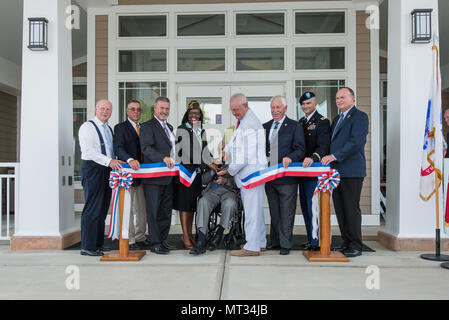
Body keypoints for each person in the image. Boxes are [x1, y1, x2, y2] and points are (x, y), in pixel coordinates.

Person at [218, 93, 268, 257]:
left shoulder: (250, 124)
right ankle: (260, 242)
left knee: (252, 212)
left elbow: (246, 155)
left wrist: (229, 170)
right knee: (256, 210)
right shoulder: (244, 121)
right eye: (232, 110)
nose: (234, 113)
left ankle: (251, 247)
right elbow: (236, 145)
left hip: (250, 175)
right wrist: (225, 151)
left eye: (236, 110)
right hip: (250, 174)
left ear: (245, 106)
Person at [321, 87, 369, 258]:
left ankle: (356, 244)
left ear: (352, 99)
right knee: (340, 209)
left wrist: (333, 156)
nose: (339, 100)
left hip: (352, 171)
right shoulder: (336, 119)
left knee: (351, 208)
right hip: (336, 173)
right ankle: (346, 242)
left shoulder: (359, 117)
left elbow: (356, 142)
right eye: (337, 98)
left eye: (342, 97)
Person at [78, 99, 122, 256]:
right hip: (93, 169)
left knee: (103, 207)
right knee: (92, 207)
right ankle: (87, 246)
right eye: (102, 108)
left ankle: (98, 244)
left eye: (108, 109)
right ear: (96, 109)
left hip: (107, 170)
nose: (105, 112)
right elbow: (88, 151)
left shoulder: (108, 129)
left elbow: (110, 150)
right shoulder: (87, 127)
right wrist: (109, 161)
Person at [263, 95, 305, 255]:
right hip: (269, 177)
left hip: (287, 178)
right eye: (273, 108)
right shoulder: (265, 126)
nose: (275, 111)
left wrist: (291, 157)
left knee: (287, 211)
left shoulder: (294, 126)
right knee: (274, 210)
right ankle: (275, 241)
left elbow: (300, 149)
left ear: (285, 108)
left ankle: (286, 244)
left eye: (278, 107)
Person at [174, 101, 213, 250]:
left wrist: (213, 161)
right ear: (187, 115)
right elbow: (190, 152)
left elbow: (205, 151)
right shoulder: (182, 129)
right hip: (185, 173)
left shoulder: (201, 131)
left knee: (191, 205)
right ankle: (185, 236)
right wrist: (208, 164)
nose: (194, 116)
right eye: (191, 113)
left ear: (200, 116)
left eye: (197, 113)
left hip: (196, 174)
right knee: (184, 205)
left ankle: (189, 234)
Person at [140, 96, 176, 254]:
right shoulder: (147, 126)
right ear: (154, 109)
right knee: (154, 211)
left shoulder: (170, 127)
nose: (164, 111)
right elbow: (146, 149)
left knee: (165, 210)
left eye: (167, 108)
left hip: (169, 177)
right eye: (161, 108)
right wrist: (163, 158)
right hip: (154, 177)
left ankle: (163, 240)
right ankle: (155, 243)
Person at [113, 100, 149, 250]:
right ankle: (130, 239)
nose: (136, 112)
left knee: (142, 207)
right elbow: (118, 148)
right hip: (128, 173)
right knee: (128, 207)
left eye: (138, 110)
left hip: (144, 174)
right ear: (127, 111)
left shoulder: (144, 127)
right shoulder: (120, 128)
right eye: (132, 109)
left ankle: (141, 236)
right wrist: (129, 159)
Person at [298, 92, 331, 251]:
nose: (305, 106)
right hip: (302, 173)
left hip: (315, 172)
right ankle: (311, 239)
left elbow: (323, 146)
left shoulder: (323, 122)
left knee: (314, 209)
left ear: (315, 103)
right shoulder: (301, 122)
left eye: (308, 103)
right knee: (305, 207)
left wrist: (313, 157)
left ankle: (317, 241)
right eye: (303, 104)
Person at [190, 165, 239, 255]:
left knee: (230, 204)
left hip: (229, 192)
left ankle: (219, 233)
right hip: (212, 191)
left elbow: (239, 182)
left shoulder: (234, 161)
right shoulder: (212, 162)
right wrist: (213, 171)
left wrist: (226, 180)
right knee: (203, 201)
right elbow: (202, 180)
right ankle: (201, 238)